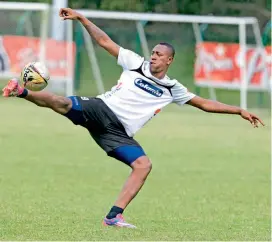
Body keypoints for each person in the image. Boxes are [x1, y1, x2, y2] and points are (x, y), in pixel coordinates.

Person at [2, 8, 264, 229]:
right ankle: (21, 91)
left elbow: (204, 103)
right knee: (61, 103)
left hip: (118, 132)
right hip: (102, 108)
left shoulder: (172, 88)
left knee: (143, 165)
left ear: (169, 60)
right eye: (153, 52)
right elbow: (105, 42)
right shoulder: (135, 63)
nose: (153, 56)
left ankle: (113, 216)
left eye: (159, 54)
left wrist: (238, 110)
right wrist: (82, 19)